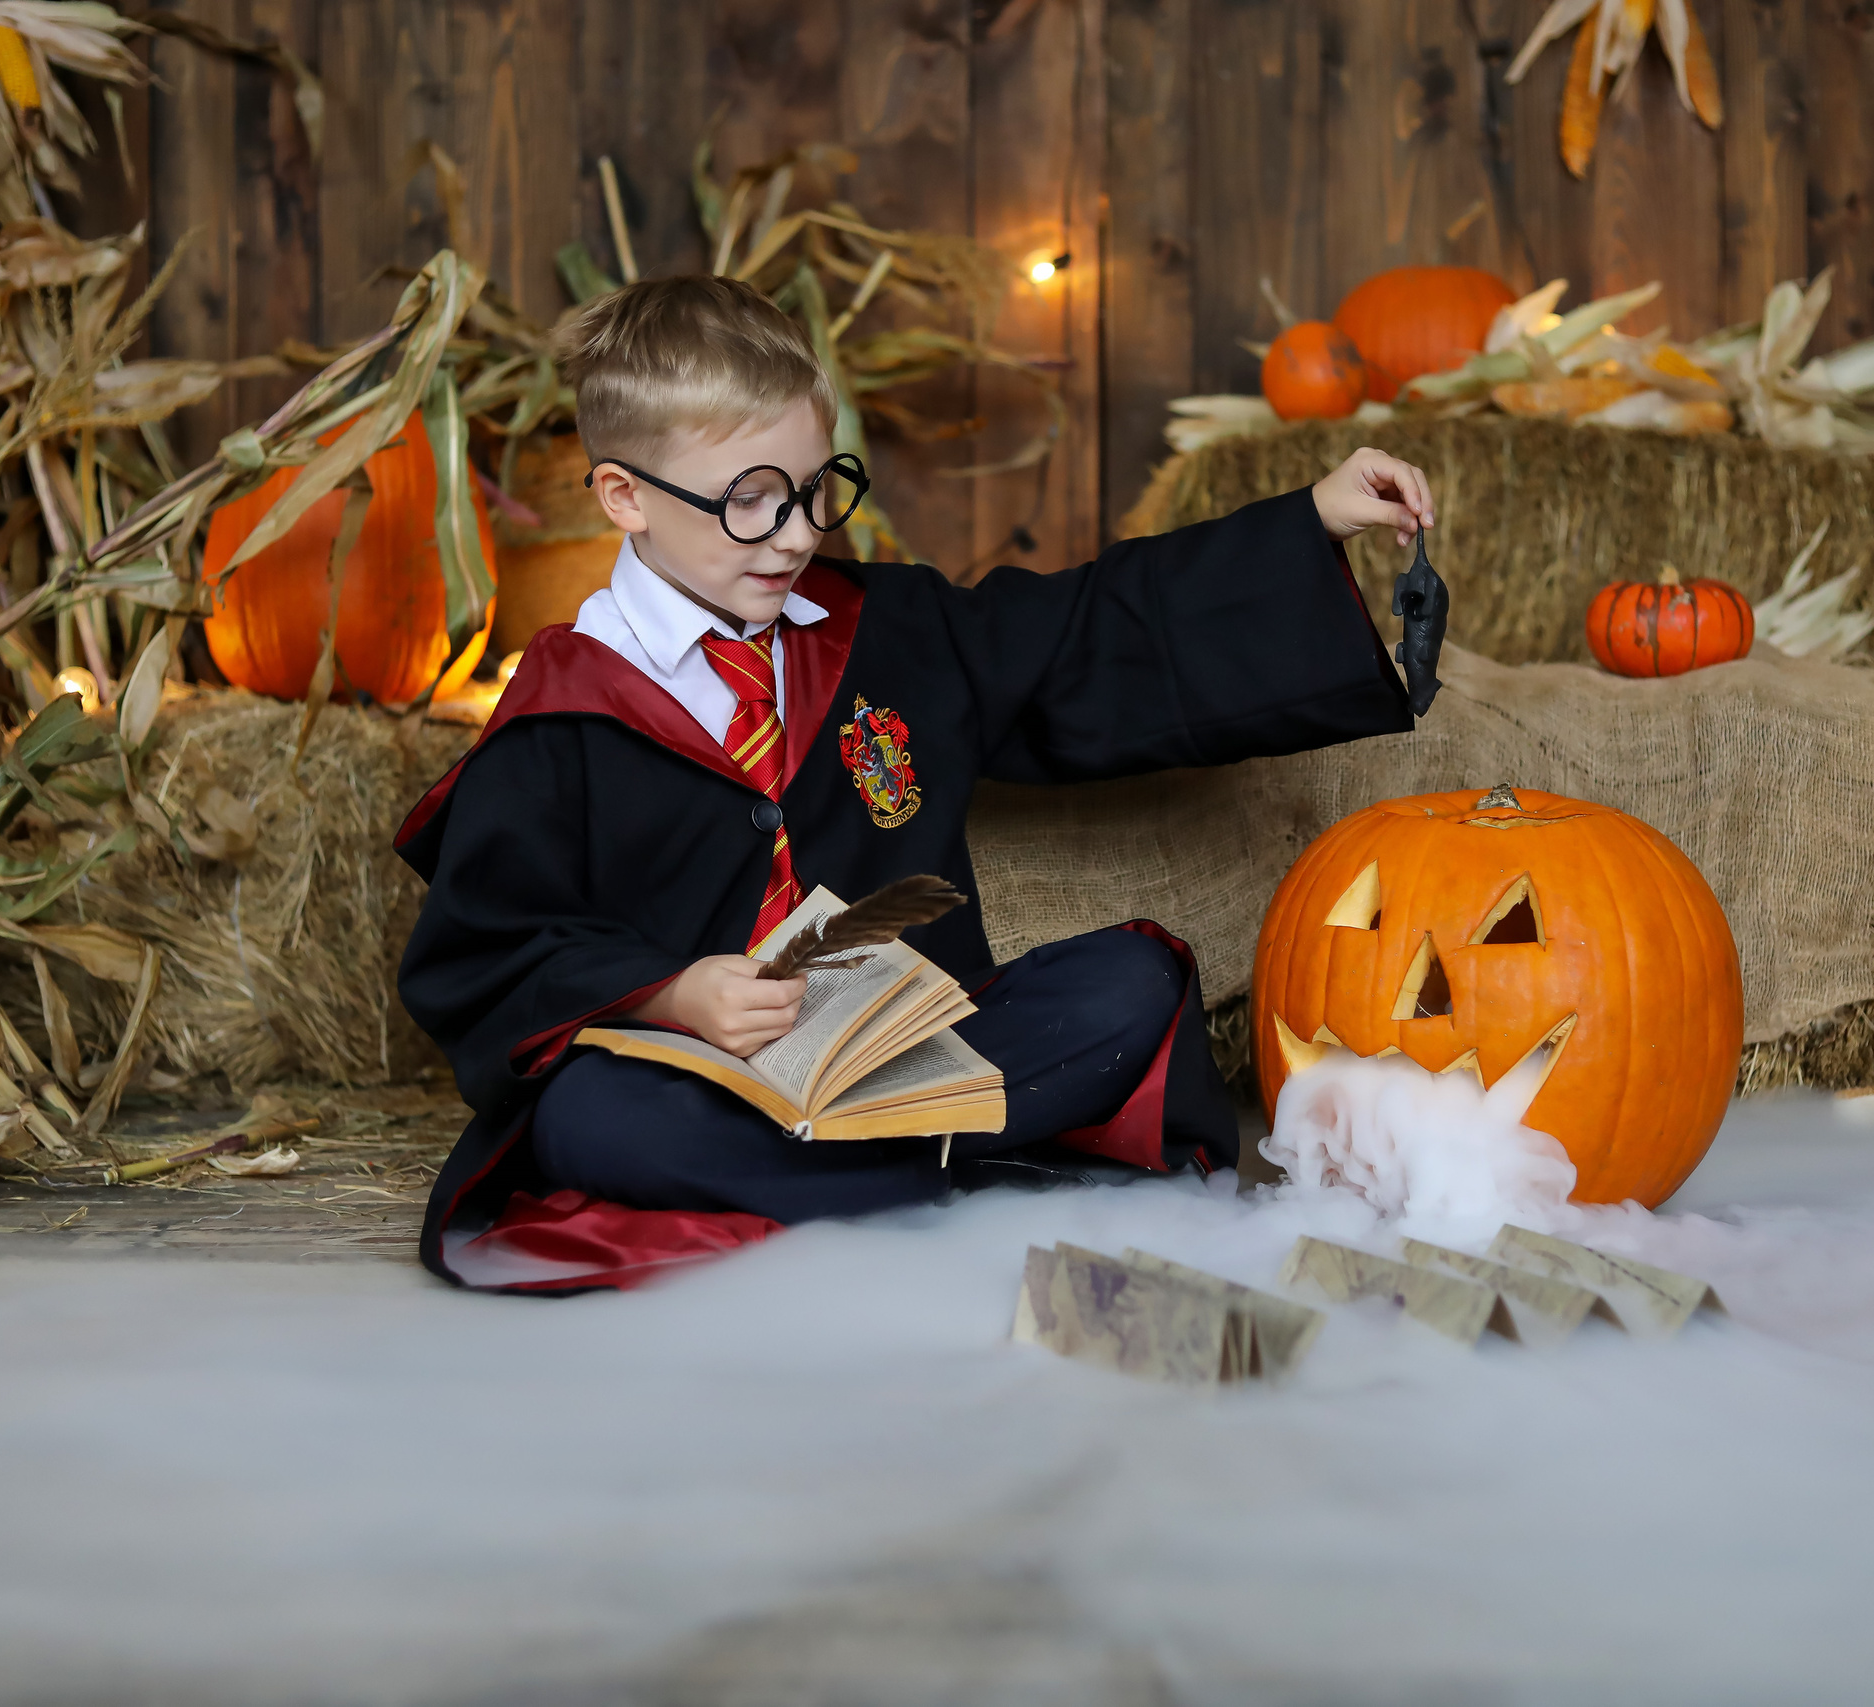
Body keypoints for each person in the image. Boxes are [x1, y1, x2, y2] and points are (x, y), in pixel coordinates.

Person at [395, 276, 1435, 1292]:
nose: (799, 533)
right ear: (624, 495)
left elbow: (1092, 628)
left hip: (907, 1060)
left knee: (1131, 988)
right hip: (698, 1081)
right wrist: (674, 995)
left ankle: (868, 1184)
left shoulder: (886, 631)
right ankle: (955, 1189)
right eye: (751, 502)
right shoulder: (561, 710)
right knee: (594, 1120)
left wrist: (1307, 523)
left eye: (814, 490)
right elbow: (492, 951)